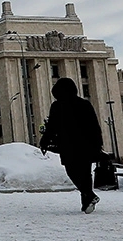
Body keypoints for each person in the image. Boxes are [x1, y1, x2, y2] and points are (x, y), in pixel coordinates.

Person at [40, 77, 104, 213]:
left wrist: (44, 141)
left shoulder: (58, 106)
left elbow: (52, 127)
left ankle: (88, 199)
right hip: (83, 144)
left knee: (74, 172)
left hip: (70, 145)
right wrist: (98, 144)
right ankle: (88, 199)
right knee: (84, 173)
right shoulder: (82, 104)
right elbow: (94, 126)